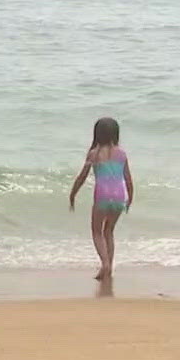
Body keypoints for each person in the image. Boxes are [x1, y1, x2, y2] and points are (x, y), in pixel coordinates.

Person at [69, 117, 133, 281]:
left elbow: (82, 177)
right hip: (119, 196)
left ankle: (104, 263)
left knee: (97, 231)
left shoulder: (94, 154)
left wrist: (73, 194)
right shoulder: (122, 154)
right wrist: (130, 197)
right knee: (109, 231)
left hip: (102, 196)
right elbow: (128, 178)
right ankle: (109, 267)